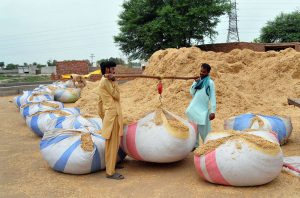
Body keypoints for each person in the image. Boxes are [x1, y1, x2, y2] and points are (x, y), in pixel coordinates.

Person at [98, 61, 124, 180]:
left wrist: (103, 116)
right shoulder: (105, 81)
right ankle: (110, 172)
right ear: (107, 69)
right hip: (112, 116)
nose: (114, 71)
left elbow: (100, 103)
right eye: (113, 69)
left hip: (112, 115)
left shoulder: (105, 81)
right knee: (111, 145)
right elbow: (117, 95)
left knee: (114, 143)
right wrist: (115, 81)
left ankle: (112, 165)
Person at [186, 63, 216, 148]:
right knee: (194, 128)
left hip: (203, 110)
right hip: (193, 108)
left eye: (204, 72)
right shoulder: (197, 82)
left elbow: (212, 97)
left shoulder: (210, 83)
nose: (201, 73)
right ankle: (194, 146)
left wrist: (213, 111)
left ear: (208, 73)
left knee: (206, 131)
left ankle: (208, 146)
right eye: (201, 71)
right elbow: (192, 93)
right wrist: (195, 83)